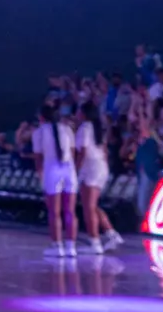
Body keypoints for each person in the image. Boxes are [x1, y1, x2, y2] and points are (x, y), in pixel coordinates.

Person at [73, 103, 121, 254]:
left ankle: (95, 243)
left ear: (84, 113)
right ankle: (111, 234)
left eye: (79, 111)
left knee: (88, 207)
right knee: (92, 205)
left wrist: (74, 170)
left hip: (90, 167)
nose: (77, 113)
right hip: (101, 166)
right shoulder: (97, 128)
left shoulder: (85, 128)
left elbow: (82, 152)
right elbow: (104, 151)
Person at [31, 104, 77, 259]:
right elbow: (72, 152)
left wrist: (40, 175)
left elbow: (38, 157)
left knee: (54, 211)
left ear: (42, 117)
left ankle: (57, 246)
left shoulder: (39, 132)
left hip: (52, 171)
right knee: (70, 210)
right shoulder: (67, 129)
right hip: (69, 170)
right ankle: (71, 247)